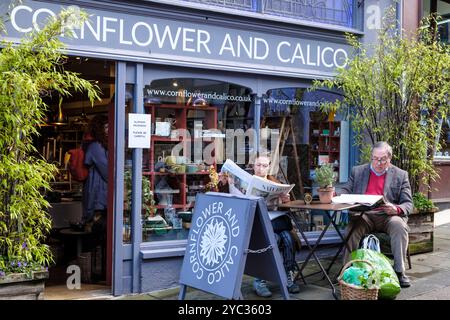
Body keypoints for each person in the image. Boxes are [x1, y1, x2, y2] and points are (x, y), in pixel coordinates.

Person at [218, 151, 301, 297]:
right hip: (254, 226)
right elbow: (227, 198)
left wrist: (285, 200)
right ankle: (260, 280)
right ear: (253, 166)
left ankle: (288, 276)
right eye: (258, 165)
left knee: (287, 237)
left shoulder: (274, 182)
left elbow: (285, 206)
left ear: (269, 167)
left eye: (264, 165)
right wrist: (223, 183)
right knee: (272, 239)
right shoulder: (245, 181)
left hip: (273, 222)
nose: (261, 169)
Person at [339, 141, 413, 288]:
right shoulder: (358, 171)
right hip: (364, 215)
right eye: (375, 158)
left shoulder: (400, 175)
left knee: (399, 226)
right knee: (351, 229)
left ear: (389, 158)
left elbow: (408, 204)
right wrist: (337, 195)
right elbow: (346, 189)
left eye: (383, 159)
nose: (378, 163)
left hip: (388, 216)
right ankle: (348, 271)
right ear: (371, 157)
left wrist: (396, 209)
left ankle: (399, 272)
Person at [82, 114, 108, 280]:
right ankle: (92, 274)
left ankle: (99, 272)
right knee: (95, 234)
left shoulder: (102, 145)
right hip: (97, 196)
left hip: (101, 196)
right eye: (105, 127)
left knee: (101, 235)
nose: (109, 130)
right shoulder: (96, 147)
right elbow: (107, 171)